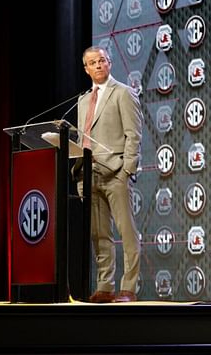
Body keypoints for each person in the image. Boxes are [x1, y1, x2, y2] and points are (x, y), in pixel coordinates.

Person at [73, 46, 143, 303]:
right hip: (88, 174)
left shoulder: (123, 93)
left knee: (126, 232)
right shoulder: (82, 101)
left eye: (102, 60)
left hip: (115, 173)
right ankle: (105, 286)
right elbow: (83, 137)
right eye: (93, 62)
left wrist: (128, 169)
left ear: (110, 63)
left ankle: (128, 288)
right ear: (86, 69)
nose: (99, 65)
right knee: (99, 234)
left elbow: (133, 134)